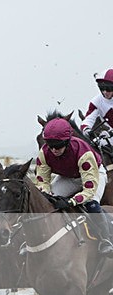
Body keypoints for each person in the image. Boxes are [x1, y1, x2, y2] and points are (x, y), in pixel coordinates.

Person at [35, 118, 113, 256]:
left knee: (92, 203)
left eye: (58, 145)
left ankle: (106, 239)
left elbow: (89, 190)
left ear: (67, 141)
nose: (53, 150)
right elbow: (42, 182)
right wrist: (46, 193)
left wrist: (70, 201)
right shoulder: (44, 153)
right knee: (47, 200)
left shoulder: (83, 153)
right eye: (50, 145)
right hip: (69, 177)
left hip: (94, 174)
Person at [80, 68, 113, 150]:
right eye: (102, 88)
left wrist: (110, 133)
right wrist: (86, 129)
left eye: (108, 89)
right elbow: (88, 120)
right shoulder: (96, 102)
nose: (105, 92)